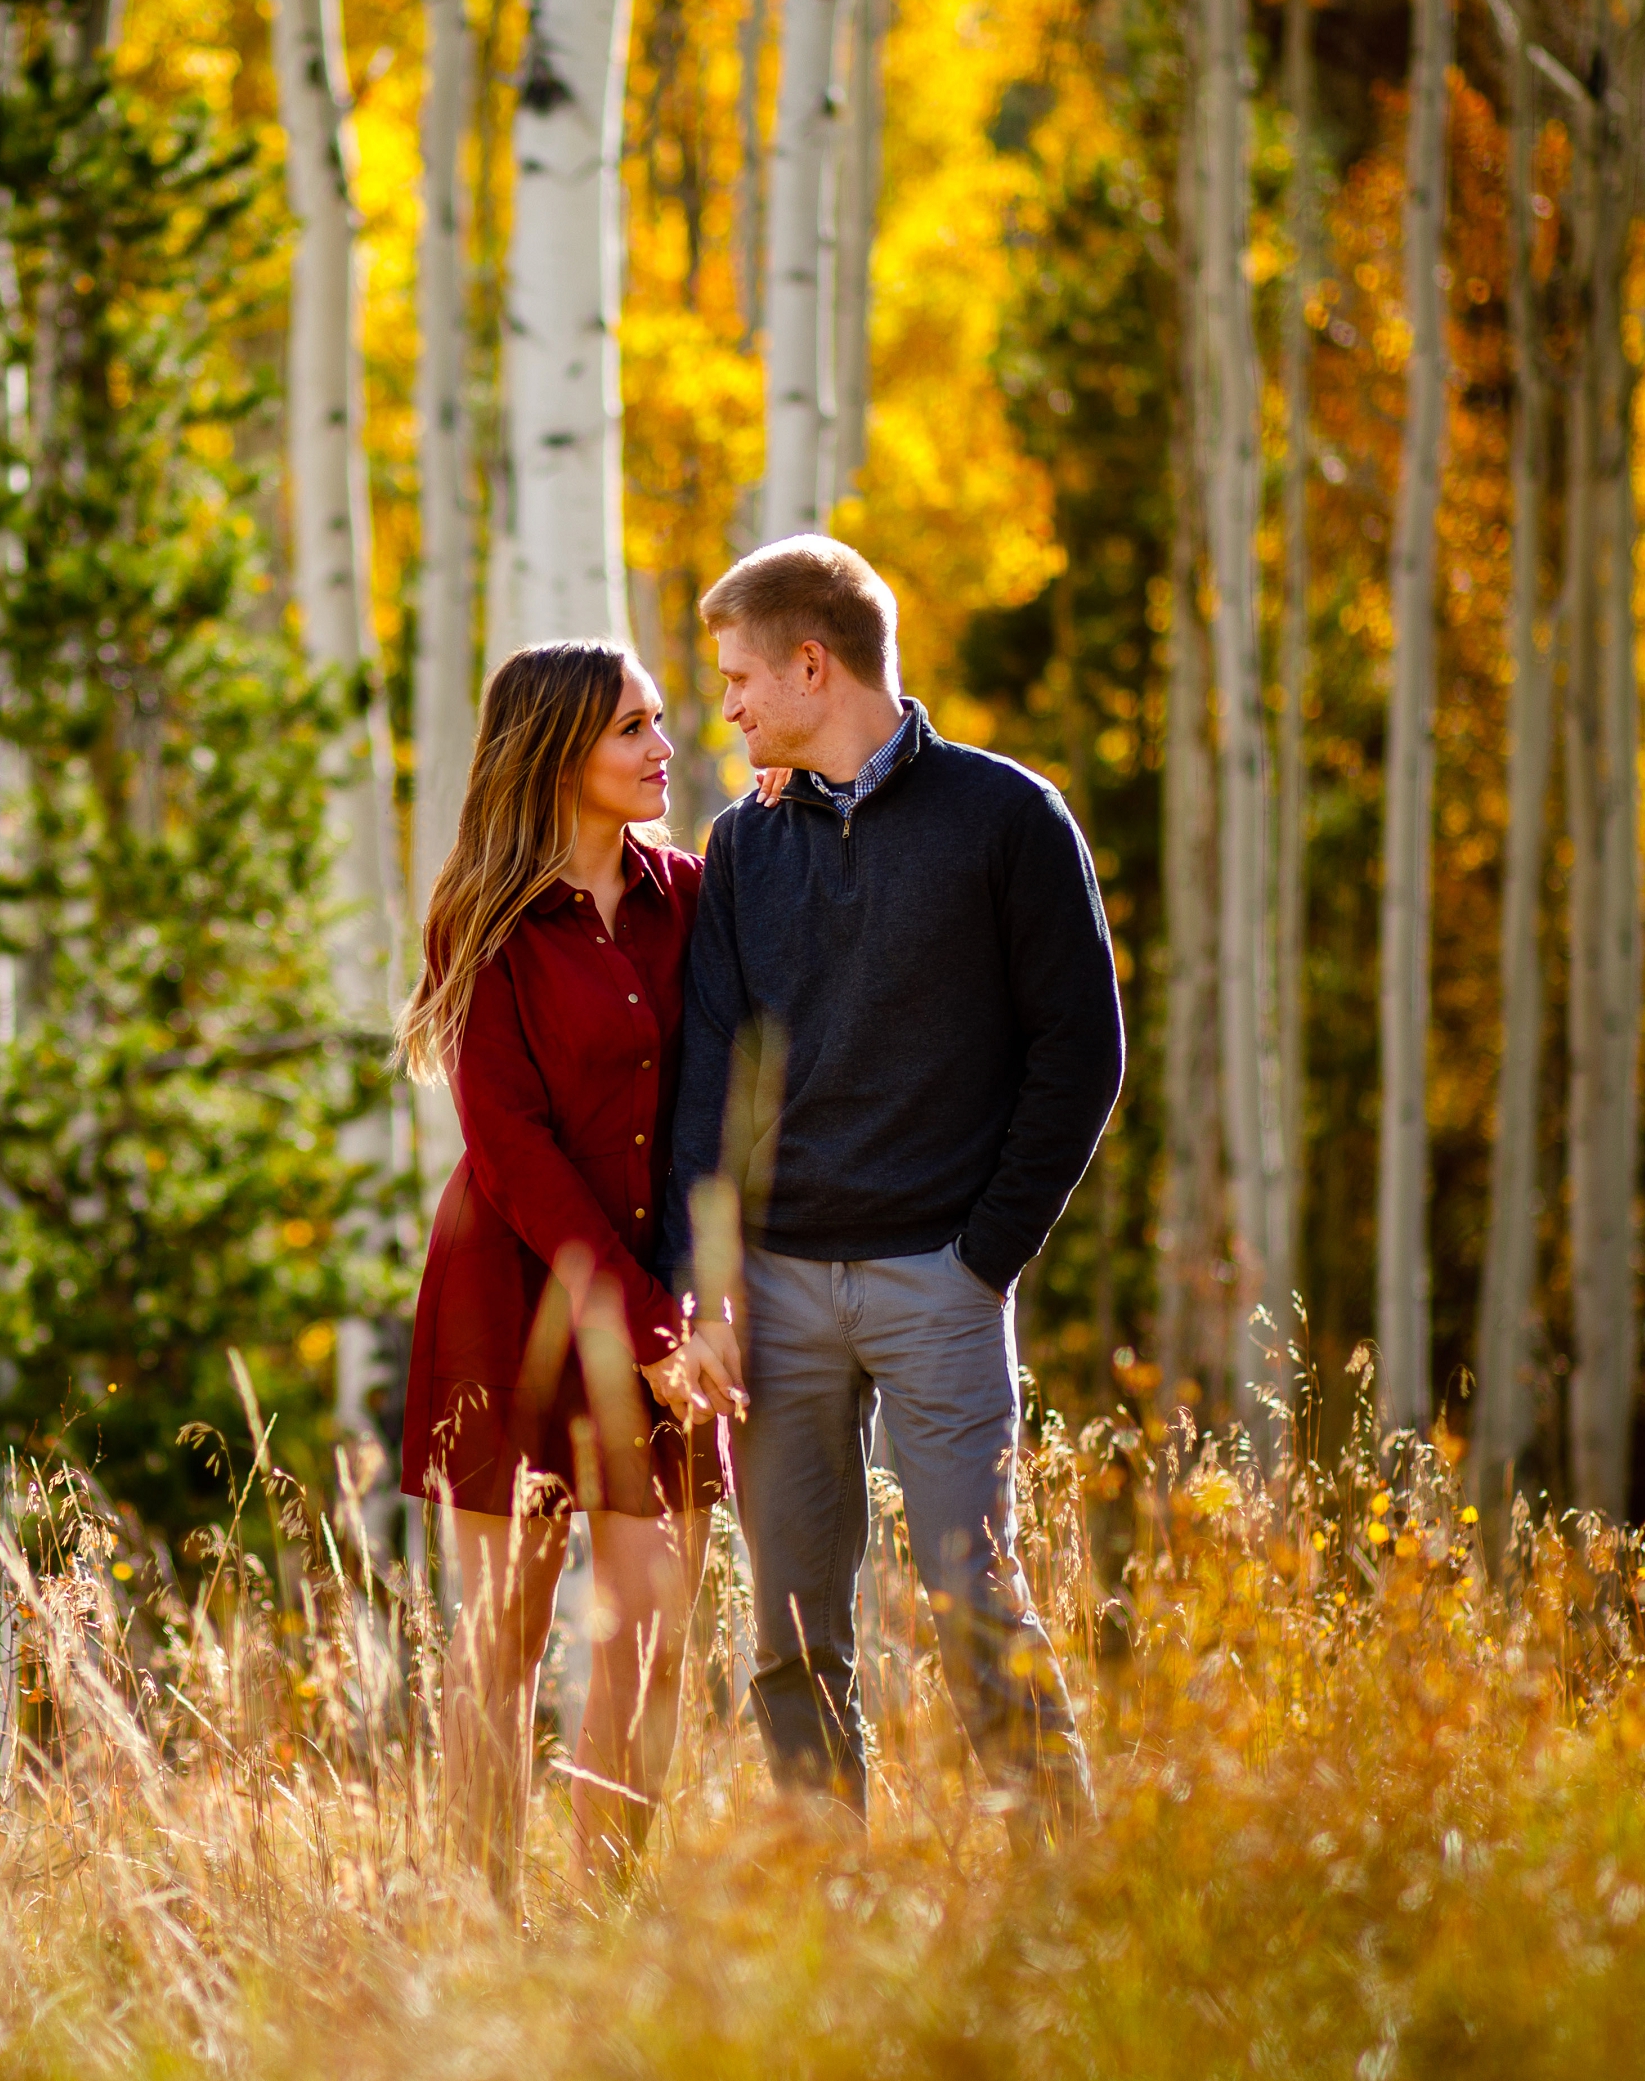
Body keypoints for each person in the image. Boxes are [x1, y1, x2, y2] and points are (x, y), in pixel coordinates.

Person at [655, 534, 1121, 1829]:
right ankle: (830, 1902)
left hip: (941, 1280)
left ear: (816, 664)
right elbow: (710, 1077)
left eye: (744, 678)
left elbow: (1079, 1051)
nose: (730, 706)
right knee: (793, 1628)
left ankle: (1067, 1890)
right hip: (779, 1295)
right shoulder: (743, 847)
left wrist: (986, 1253)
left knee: (974, 1597)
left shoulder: (1008, 817)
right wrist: (708, 1289)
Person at [397, 640, 721, 1896]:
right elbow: (516, 1154)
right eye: (630, 729)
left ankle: (602, 1934)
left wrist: (693, 1314)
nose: (662, 746)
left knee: (646, 1640)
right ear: (555, 755)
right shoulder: (480, 923)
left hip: (671, 1308)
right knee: (505, 1642)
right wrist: (652, 1326)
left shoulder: (694, 895)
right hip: (513, 1303)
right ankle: (483, 1928)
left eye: (654, 722)